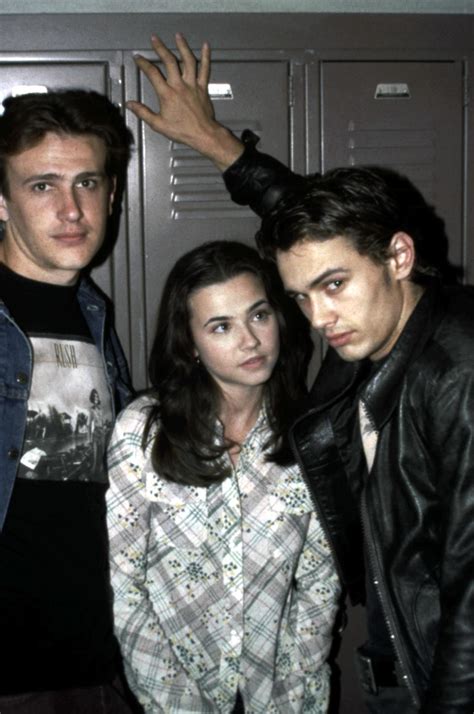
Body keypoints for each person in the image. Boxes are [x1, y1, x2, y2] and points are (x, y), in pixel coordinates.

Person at [125, 35, 474, 713]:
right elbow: (316, 228)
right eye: (300, 298)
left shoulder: (457, 373)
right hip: (402, 657)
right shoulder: (375, 331)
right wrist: (219, 146)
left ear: (399, 256)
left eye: (334, 287)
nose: (318, 319)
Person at [106, 240, 341, 713]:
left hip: (281, 694)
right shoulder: (142, 432)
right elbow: (124, 584)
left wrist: (289, 701)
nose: (250, 341)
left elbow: (320, 584)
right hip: (169, 695)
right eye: (221, 326)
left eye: (259, 315)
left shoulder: (312, 437)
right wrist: (176, 704)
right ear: (189, 344)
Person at [0, 89, 140, 712]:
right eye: (42, 186)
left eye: (87, 182)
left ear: (112, 195)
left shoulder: (93, 313)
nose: (71, 209)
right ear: (2, 201)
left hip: (95, 661)